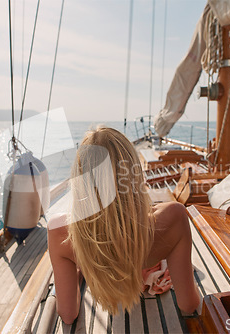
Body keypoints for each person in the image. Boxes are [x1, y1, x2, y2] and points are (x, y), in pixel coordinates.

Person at [48, 126, 200, 324]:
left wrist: (80, 270)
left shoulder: (60, 231)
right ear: (133, 173)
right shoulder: (172, 217)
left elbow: (68, 315)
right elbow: (188, 305)